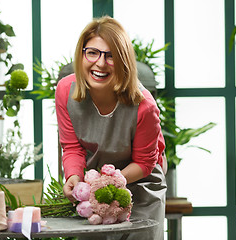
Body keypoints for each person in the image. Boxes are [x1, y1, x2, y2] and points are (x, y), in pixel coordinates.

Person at [55, 16, 167, 240]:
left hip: (141, 185)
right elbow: (72, 147)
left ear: (123, 60)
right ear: (82, 54)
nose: (100, 63)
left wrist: (109, 184)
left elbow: (145, 162)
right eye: (93, 52)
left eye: (111, 56)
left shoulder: (144, 106)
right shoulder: (65, 91)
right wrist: (74, 177)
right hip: (95, 184)